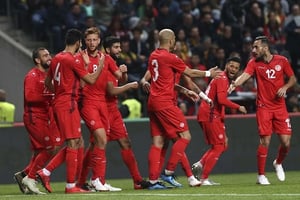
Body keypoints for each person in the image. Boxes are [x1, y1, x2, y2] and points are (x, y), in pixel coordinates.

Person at [146, 28, 221, 189]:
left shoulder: (153, 56)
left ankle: (152, 181)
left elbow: (163, 81)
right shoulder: (171, 57)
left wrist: (186, 91)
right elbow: (190, 72)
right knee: (185, 136)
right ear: (171, 41)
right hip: (165, 102)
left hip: (153, 101)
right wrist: (209, 73)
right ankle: (168, 171)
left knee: (158, 142)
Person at [228, 36, 297, 185]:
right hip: (264, 107)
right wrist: (234, 85)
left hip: (280, 107)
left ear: (265, 48)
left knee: (286, 143)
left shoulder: (282, 61)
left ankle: (278, 162)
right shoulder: (254, 63)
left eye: (256, 47)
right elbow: (245, 76)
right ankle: (261, 175)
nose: (253, 50)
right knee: (265, 141)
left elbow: (293, 79)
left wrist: (285, 87)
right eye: (253, 47)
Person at [43, 28, 104, 193]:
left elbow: (47, 83)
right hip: (68, 104)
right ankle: (70, 186)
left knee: (77, 142)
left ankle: (46, 172)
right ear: (78, 43)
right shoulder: (72, 60)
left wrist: (62, 90)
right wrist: (99, 66)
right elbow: (90, 80)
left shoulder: (56, 58)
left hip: (61, 103)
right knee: (72, 143)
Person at [13, 48, 63, 195]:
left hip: (43, 117)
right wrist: (50, 96)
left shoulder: (48, 75)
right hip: (33, 116)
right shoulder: (32, 76)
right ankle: (30, 177)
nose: (49, 57)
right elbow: (30, 97)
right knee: (50, 148)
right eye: (45, 55)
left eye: (49, 54)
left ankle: (24, 175)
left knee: (41, 151)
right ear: (37, 60)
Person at [191, 56, 247, 186]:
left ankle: (199, 165)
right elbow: (221, 100)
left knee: (222, 144)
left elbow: (219, 102)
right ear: (227, 65)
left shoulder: (223, 78)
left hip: (212, 114)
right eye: (231, 66)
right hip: (210, 114)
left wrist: (222, 121)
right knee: (219, 146)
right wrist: (238, 107)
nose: (233, 69)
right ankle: (204, 179)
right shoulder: (222, 79)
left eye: (236, 68)